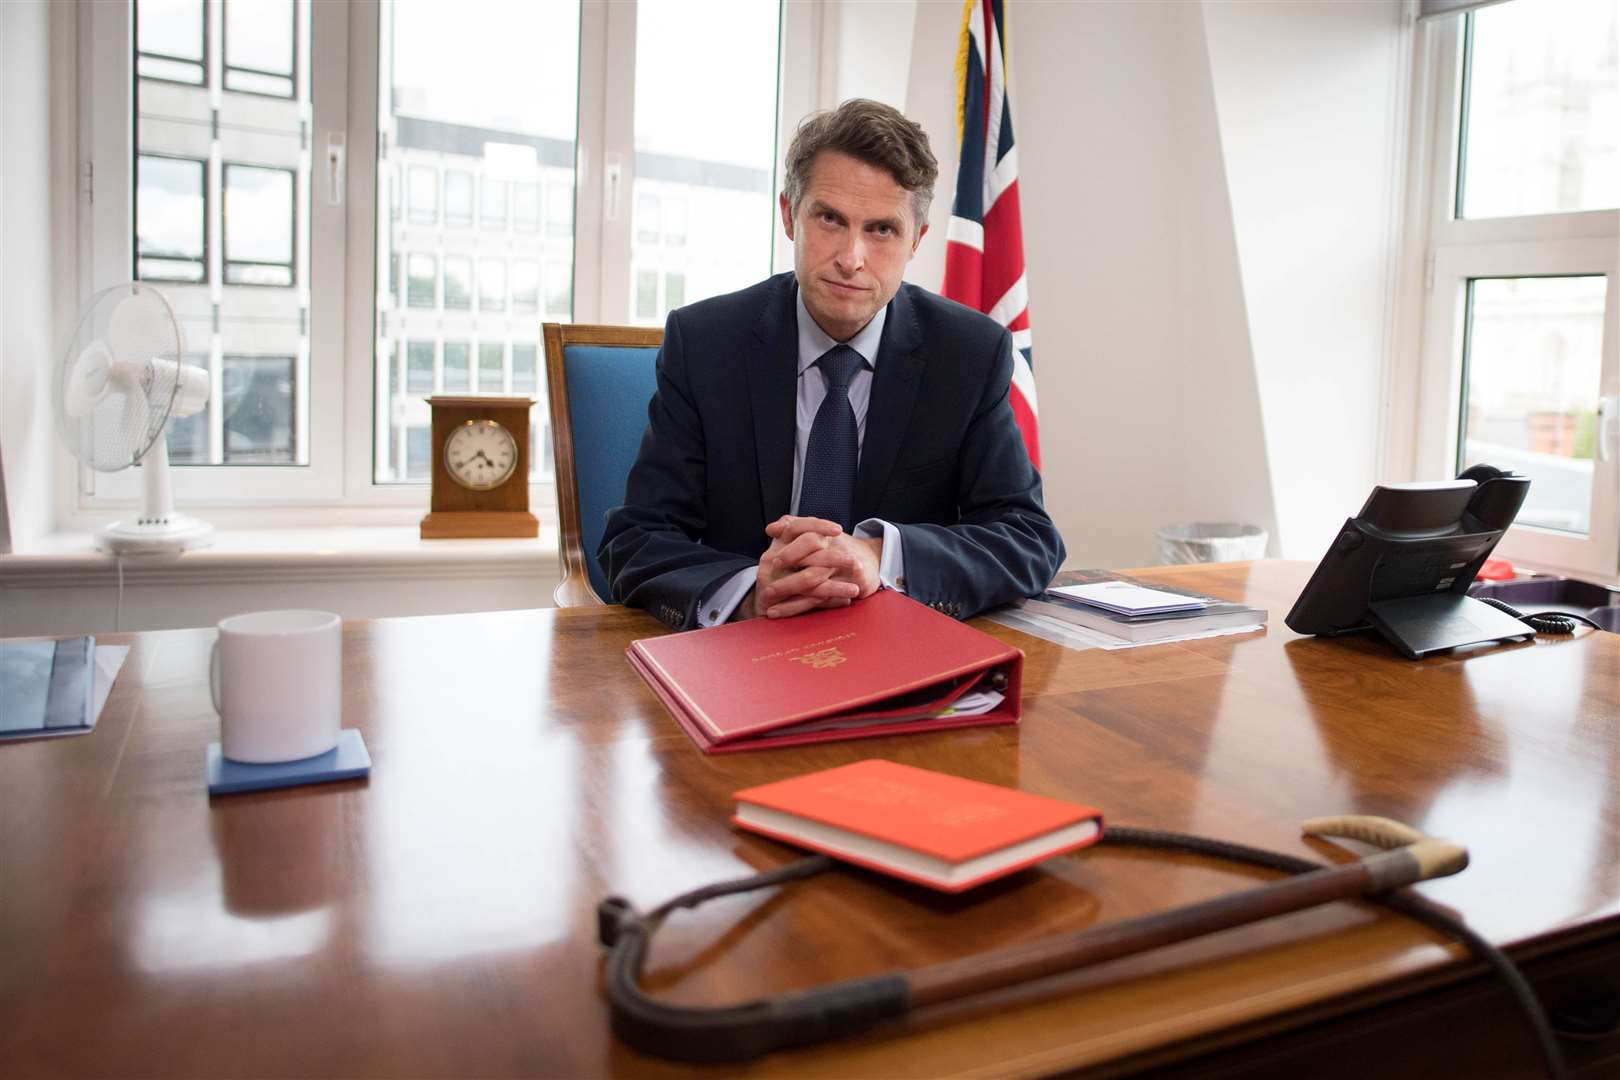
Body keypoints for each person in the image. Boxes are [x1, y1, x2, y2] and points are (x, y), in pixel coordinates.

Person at [598, 98, 1064, 630]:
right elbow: (636, 539)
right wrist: (751, 591)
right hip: (746, 653)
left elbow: (1028, 537)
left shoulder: (969, 353)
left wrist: (879, 555)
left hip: (895, 652)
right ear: (789, 215)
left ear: (916, 240)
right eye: (830, 219)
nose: (851, 257)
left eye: (882, 230)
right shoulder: (705, 343)